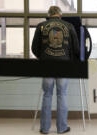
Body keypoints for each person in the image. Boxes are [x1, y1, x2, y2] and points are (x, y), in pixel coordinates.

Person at [31, 6, 80, 134]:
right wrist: (70, 61)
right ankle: (62, 127)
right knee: (62, 95)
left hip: (47, 65)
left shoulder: (41, 26)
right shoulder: (69, 26)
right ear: (60, 14)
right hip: (64, 65)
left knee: (47, 95)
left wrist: (43, 58)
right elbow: (76, 48)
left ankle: (45, 128)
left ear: (49, 14)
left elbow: (34, 48)